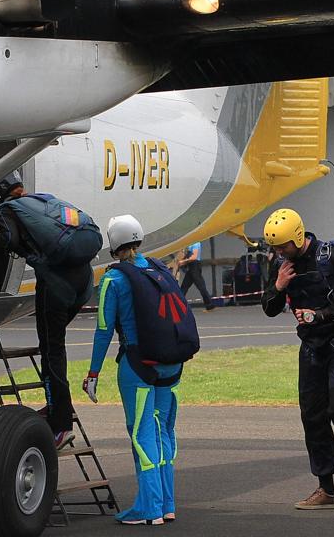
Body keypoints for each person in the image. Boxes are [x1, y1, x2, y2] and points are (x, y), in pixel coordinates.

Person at [83, 214, 197, 526]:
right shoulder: (159, 269)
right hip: (171, 365)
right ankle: (166, 504)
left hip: (137, 366)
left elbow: (103, 331)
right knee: (164, 431)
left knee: (141, 433)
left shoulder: (114, 279)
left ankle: (149, 508)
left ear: (114, 243)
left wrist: (93, 373)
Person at [260, 207, 334, 511]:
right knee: (313, 415)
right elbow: (269, 308)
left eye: (283, 246)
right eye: (275, 248)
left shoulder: (333, 256)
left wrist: (320, 315)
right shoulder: (281, 265)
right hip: (311, 347)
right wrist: (278, 285)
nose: (279, 252)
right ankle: (326, 488)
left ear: (297, 237)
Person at [0, 171, 101, 447]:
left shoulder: (6, 209)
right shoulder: (43, 200)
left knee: (51, 352)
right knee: (56, 347)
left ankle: (61, 424)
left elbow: (9, 241)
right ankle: (59, 407)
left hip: (56, 284)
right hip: (83, 282)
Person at [176, 241, 215, 310]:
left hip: (195, 266)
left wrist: (183, 261)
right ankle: (178, 305)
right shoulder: (189, 245)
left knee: (201, 286)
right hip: (191, 267)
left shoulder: (196, 243)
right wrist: (182, 263)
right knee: (184, 286)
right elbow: (188, 258)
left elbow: (194, 257)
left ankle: (209, 305)